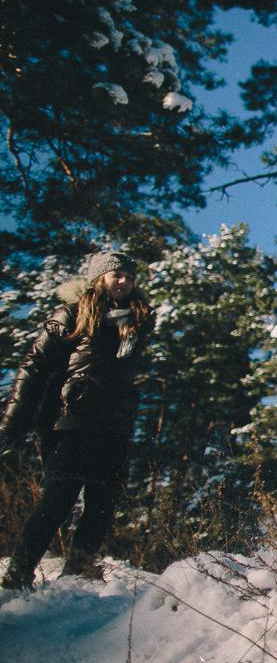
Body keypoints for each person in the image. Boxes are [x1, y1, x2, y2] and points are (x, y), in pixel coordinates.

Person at [1, 251, 154, 589]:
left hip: (112, 427)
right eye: (116, 274)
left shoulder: (137, 321)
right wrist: (12, 423)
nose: (123, 281)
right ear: (99, 278)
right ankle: (18, 575)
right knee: (59, 498)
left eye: (129, 276)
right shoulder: (70, 314)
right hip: (68, 422)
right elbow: (33, 369)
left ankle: (76, 576)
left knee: (103, 503)